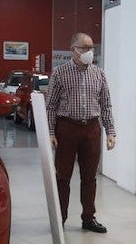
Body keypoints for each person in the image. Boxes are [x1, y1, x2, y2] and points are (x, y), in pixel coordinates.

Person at [46, 32, 116, 233]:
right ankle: (60, 218)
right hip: (66, 128)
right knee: (63, 176)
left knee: (90, 177)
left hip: (92, 128)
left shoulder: (99, 74)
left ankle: (88, 218)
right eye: (84, 48)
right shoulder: (60, 73)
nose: (89, 52)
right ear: (73, 50)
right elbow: (50, 106)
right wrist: (51, 132)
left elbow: (106, 105)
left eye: (91, 48)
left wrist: (111, 131)